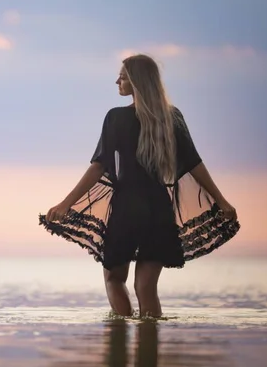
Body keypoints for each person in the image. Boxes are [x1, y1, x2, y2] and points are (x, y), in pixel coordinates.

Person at [39, 54, 240, 318]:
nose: (117, 81)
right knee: (146, 288)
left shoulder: (115, 118)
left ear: (136, 81)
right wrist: (222, 201)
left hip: (127, 208)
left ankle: (119, 343)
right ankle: (149, 351)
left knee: (114, 280)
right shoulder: (172, 117)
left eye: (122, 77)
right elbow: (194, 164)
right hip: (159, 208)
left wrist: (66, 203)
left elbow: (99, 166)